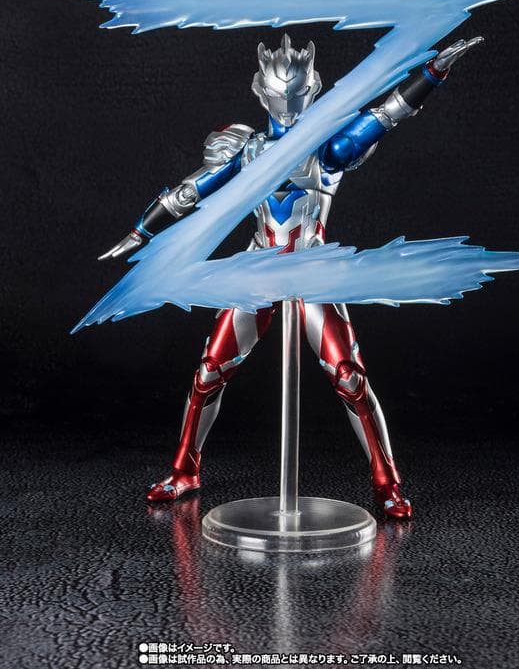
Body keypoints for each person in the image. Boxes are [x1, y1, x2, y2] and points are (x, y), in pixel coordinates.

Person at [101, 33, 482, 518]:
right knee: (209, 372)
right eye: (279, 94)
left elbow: (387, 115)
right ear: (260, 91)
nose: (287, 104)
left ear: (313, 89)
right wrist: (139, 231)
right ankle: (184, 470)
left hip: (312, 269)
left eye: (297, 94)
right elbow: (188, 193)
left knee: (349, 378)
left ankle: (387, 483)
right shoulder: (246, 151)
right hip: (257, 269)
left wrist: (433, 73)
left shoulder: (327, 150)